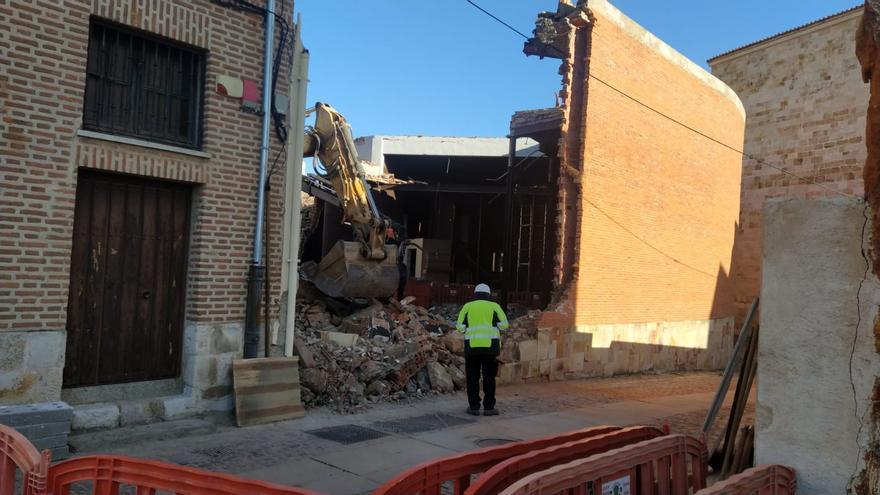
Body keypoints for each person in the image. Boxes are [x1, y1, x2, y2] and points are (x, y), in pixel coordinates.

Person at [456, 283, 509, 416]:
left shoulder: (468, 306)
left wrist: (468, 329)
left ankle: (474, 406)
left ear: (475, 294)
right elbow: (504, 325)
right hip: (490, 348)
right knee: (489, 378)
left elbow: (459, 326)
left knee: (472, 377)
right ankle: (489, 407)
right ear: (488, 294)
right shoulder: (494, 306)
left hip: (472, 347)